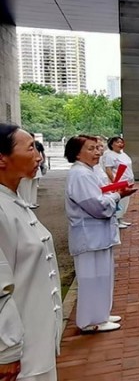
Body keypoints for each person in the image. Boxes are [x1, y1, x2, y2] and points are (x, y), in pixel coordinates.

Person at [0, 124, 62, 380]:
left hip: (35, 339)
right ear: (2, 158)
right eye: (30, 149)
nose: (39, 156)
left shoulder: (14, 201)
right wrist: (7, 349)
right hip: (17, 350)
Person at [65, 135, 137, 334]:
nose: (97, 152)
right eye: (91, 148)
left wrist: (113, 192)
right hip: (89, 235)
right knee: (90, 278)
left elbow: (101, 194)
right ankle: (89, 320)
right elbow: (97, 206)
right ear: (77, 153)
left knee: (102, 276)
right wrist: (118, 195)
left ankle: (101, 314)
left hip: (98, 234)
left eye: (98, 148)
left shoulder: (89, 171)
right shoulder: (80, 174)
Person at [104, 136, 135, 229]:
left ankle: (121, 218)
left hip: (128, 181)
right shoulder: (110, 155)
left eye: (121, 142)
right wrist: (114, 181)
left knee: (125, 201)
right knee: (119, 201)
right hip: (119, 182)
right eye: (117, 142)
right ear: (111, 144)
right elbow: (108, 169)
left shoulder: (123, 154)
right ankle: (116, 220)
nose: (120, 144)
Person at [16, 141, 45, 209]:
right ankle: (26, 202)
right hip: (25, 169)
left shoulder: (37, 145)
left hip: (34, 168)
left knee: (33, 186)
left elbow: (41, 156)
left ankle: (32, 201)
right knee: (25, 187)